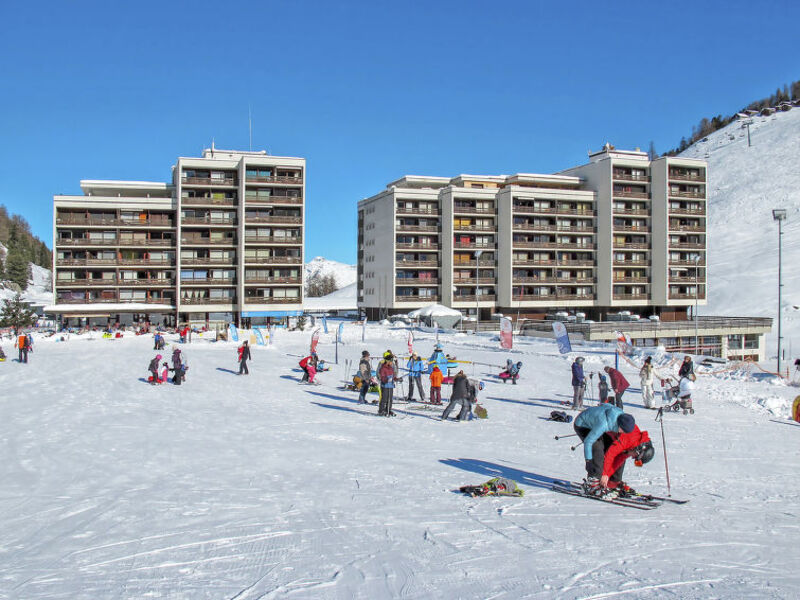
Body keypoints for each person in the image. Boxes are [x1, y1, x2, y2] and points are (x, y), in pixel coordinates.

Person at [573, 403, 637, 494]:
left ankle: (613, 481)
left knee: (616, 449)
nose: (624, 434)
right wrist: (589, 461)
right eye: (623, 431)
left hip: (596, 423)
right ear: (619, 426)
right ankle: (593, 482)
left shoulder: (620, 415)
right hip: (583, 425)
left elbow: (609, 406)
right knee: (597, 449)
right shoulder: (603, 424)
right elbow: (588, 442)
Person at [597, 424, 655, 498]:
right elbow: (610, 455)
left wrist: (607, 475)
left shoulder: (633, 446)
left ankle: (613, 482)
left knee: (621, 459)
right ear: (638, 450)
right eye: (636, 457)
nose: (632, 457)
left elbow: (618, 461)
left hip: (610, 435)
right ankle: (594, 481)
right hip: (598, 428)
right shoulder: (629, 439)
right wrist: (604, 474)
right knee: (599, 453)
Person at [377, 350, 399, 416]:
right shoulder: (383, 367)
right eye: (390, 361)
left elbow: (393, 375)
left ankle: (388, 410)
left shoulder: (391, 368)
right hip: (385, 385)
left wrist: (396, 379)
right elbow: (381, 376)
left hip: (391, 385)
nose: (392, 362)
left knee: (390, 399)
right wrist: (385, 380)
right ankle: (381, 410)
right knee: (384, 398)